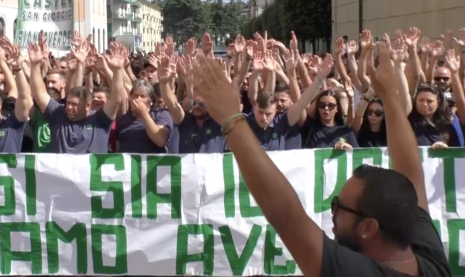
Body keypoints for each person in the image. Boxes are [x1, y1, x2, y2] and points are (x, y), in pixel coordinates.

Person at [192, 39, 450, 277]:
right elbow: (410, 173)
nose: (332, 211)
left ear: (369, 228)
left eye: (338, 206)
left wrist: (231, 119)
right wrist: (389, 97)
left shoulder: (356, 272)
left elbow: (285, 213)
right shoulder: (428, 254)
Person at [28, 33, 124, 154]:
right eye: (68, 103)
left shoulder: (100, 120)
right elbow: (40, 94)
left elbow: (116, 100)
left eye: (74, 104)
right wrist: (35, 64)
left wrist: (118, 70)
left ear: (88, 106)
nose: (69, 107)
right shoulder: (58, 114)